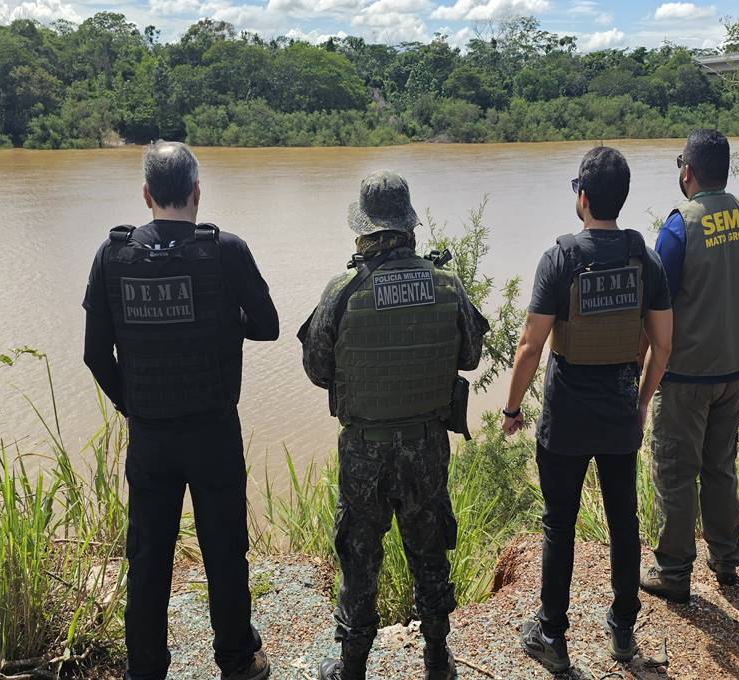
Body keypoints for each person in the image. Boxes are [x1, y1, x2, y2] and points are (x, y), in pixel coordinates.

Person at [82, 141, 278, 680]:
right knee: (225, 550)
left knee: (147, 560)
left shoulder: (112, 255)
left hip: (150, 435)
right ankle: (237, 660)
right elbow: (268, 325)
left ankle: (145, 670)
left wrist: (132, 405)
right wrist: (220, 322)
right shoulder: (226, 250)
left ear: (147, 195)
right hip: (213, 430)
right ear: (196, 193)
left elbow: (95, 355)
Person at [299, 170, 488, 680]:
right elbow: (471, 355)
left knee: (359, 559)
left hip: (364, 451)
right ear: (408, 226)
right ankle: (436, 660)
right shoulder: (446, 283)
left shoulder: (341, 290)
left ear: (363, 231)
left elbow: (318, 370)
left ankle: (352, 666)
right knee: (428, 550)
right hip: (427, 446)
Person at [501, 147, 673, 673]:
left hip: (567, 418)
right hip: (620, 413)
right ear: (620, 198)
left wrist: (511, 409)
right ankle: (623, 631)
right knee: (625, 522)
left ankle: (552, 634)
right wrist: (642, 403)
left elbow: (530, 346)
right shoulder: (644, 258)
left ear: (582, 196)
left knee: (560, 524)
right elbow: (663, 343)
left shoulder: (561, 259)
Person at [640, 129, 739, 604]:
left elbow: (656, 306)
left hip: (688, 373)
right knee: (720, 466)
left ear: (687, 171)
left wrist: (640, 368)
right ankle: (727, 559)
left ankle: (673, 571)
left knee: (674, 470)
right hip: (735, 367)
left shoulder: (680, 226)